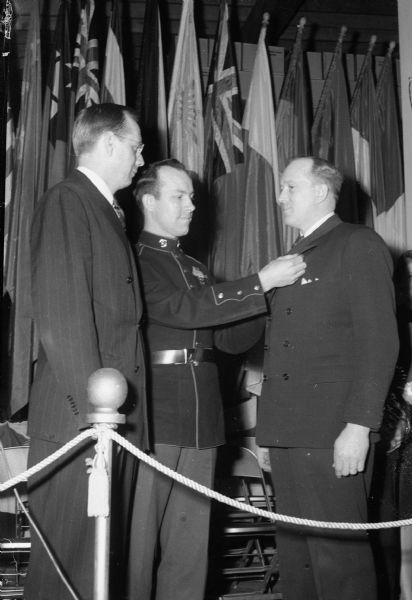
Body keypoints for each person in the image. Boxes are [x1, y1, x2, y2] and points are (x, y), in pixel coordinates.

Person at [126, 158, 306, 600]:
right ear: (149, 201)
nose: (192, 206)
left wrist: (266, 296)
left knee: (189, 552)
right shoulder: (136, 259)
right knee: (137, 550)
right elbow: (185, 310)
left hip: (202, 419)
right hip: (156, 417)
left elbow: (225, 339)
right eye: (179, 196)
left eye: (192, 196)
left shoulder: (195, 268)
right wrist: (257, 281)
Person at [255, 156, 399, 600]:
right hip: (289, 433)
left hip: (333, 431)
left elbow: (381, 343)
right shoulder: (290, 258)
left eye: (289, 187)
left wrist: (358, 426)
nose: (280, 197)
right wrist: (270, 434)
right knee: (298, 562)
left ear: (320, 191)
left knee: (341, 566)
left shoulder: (358, 243)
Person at [25, 103, 147, 600]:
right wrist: (92, 424)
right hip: (83, 422)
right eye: (137, 148)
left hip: (108, 422)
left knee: (97, 570)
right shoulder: (68, 201)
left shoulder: (104, 211)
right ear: (111, 143)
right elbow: (64, 316)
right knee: (65, 572)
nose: (141, 159)